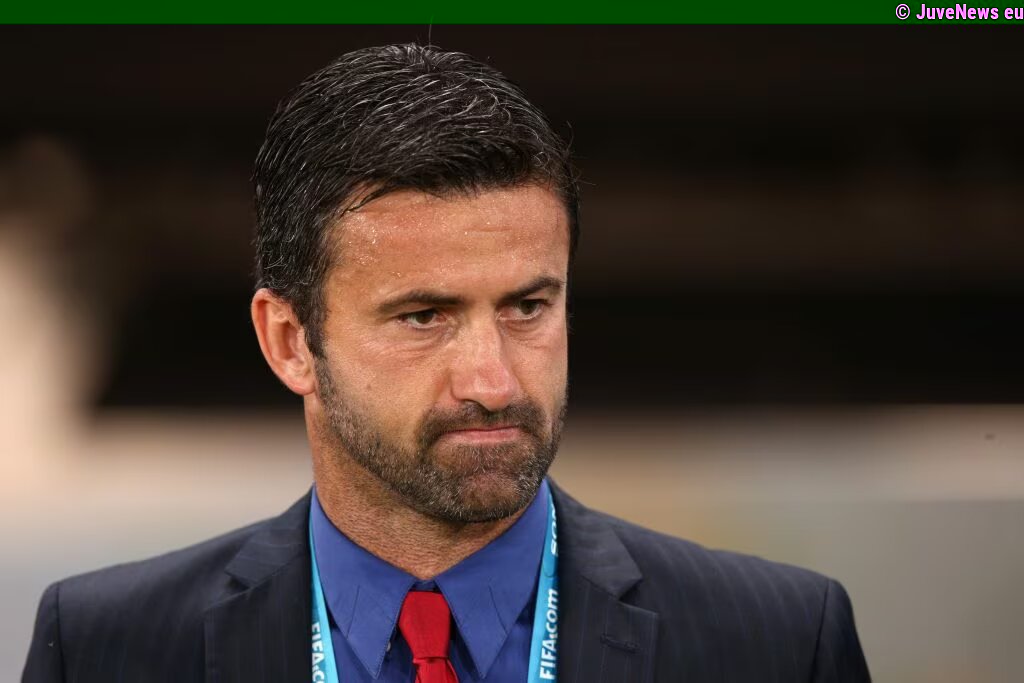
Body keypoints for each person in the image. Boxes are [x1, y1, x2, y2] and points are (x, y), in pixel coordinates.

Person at [21, 43, 870, 683]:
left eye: (527, 307)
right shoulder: (102, 647)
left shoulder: (779, 642)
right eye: (423, 317)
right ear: (289, 341)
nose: (493, 382)